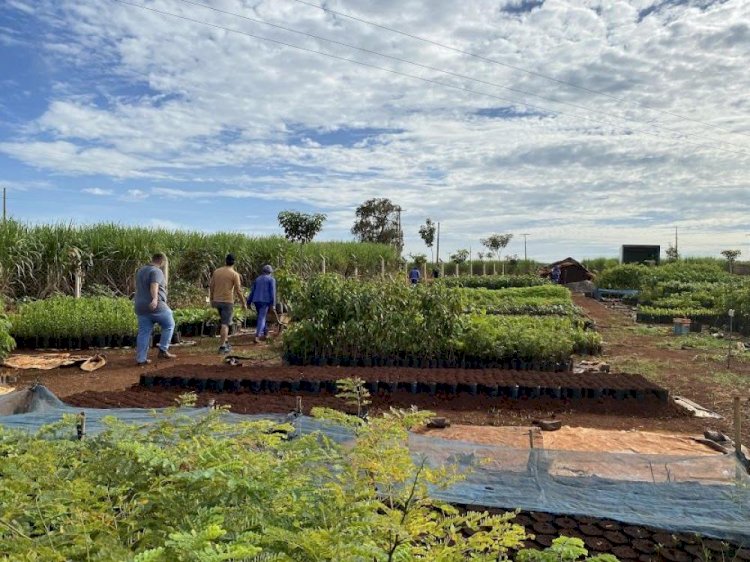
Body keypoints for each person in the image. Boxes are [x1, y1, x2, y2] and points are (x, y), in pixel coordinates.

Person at [134, 253, 176, 365]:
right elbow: (154, 286)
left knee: (144, 332)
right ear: (162, 261)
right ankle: (163, 349)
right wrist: (154, 299)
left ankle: (141, 359)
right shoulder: (156, 271)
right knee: (169, 324)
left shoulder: (141, 270)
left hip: (140, 306)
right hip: (156, 306)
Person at [209, 253, 247, 354]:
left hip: (216, 301)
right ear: (234, 263)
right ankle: (222, 347)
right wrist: (244, 303)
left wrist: (211, 299)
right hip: (227, 302)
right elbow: (238, 290)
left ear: (225, 261)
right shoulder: (234, 274)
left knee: (223, 322)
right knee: (225, 324)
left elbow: (211, 286)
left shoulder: (217, 272)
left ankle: (225, 342)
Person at [248, 264, 276, 344]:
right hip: (265, 301)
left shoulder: (257, 279)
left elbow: (252, 291)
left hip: (256, 300)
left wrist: (248, 302)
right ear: (270, 272)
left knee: (261, 317)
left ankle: (266, 333)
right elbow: (272, 293)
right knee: (262, 317)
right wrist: (273, 304)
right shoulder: (271, 279)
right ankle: (257, 336)